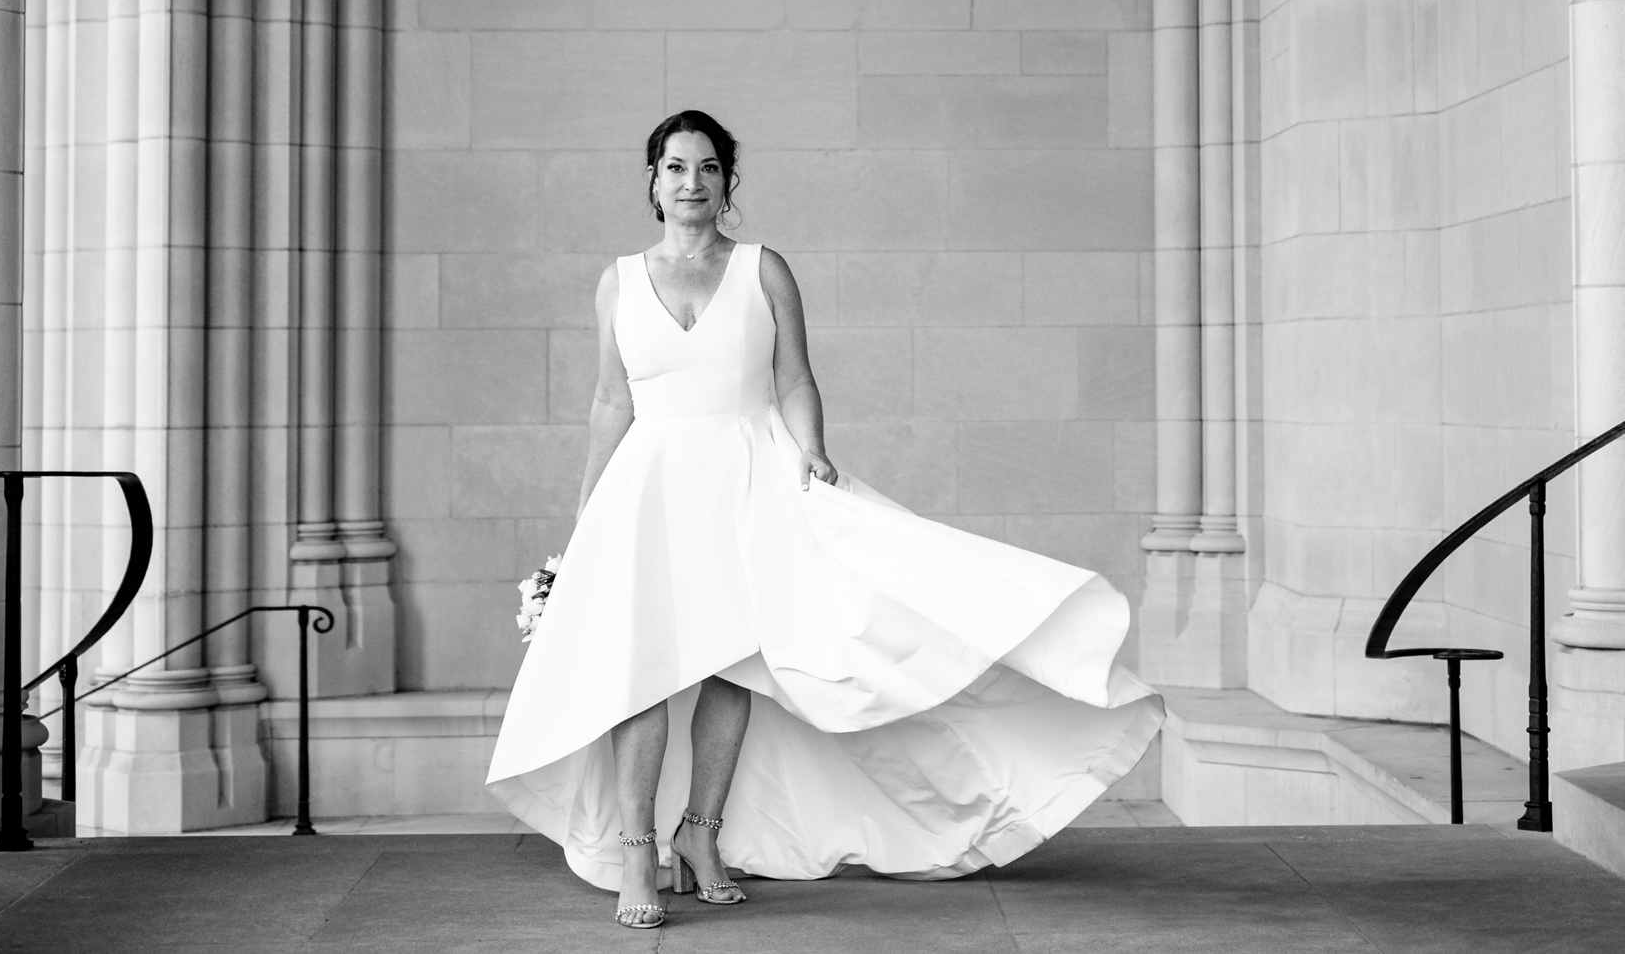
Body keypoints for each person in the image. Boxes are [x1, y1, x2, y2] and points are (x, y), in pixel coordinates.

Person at [486, 111, 1162, 925]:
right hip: (649, 487)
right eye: (673, 167)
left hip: (744, 477)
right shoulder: (618, 281)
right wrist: (586, 518)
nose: (690, 182)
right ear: (652, 181)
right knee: (637, 671)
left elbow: (796, 378)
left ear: (728, 181)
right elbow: (608, 402)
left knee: (730, 663)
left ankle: (700, 833)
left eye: (706, 167)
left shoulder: (762, 270)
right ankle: (639, 852)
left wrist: (810, 448)